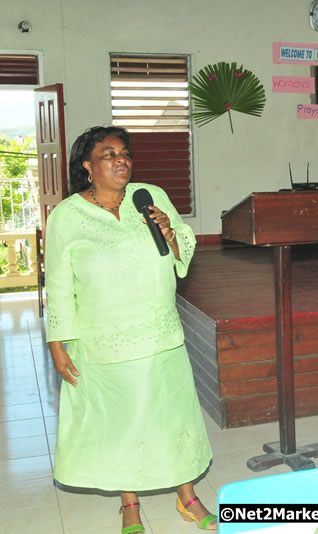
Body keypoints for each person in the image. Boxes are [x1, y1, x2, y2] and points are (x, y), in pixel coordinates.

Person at [46, 126, 217, 532]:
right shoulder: (67, 216)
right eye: (109, 153)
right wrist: (57, 341)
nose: (121, 159)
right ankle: (130, 506)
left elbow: (183, 253)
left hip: (160, 331)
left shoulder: (150, 196)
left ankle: (187, 496)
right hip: (105, 337)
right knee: (122, 423)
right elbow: (58, 283)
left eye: (125, 152)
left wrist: (171, 234)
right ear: (87, 166)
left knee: (172, 417)